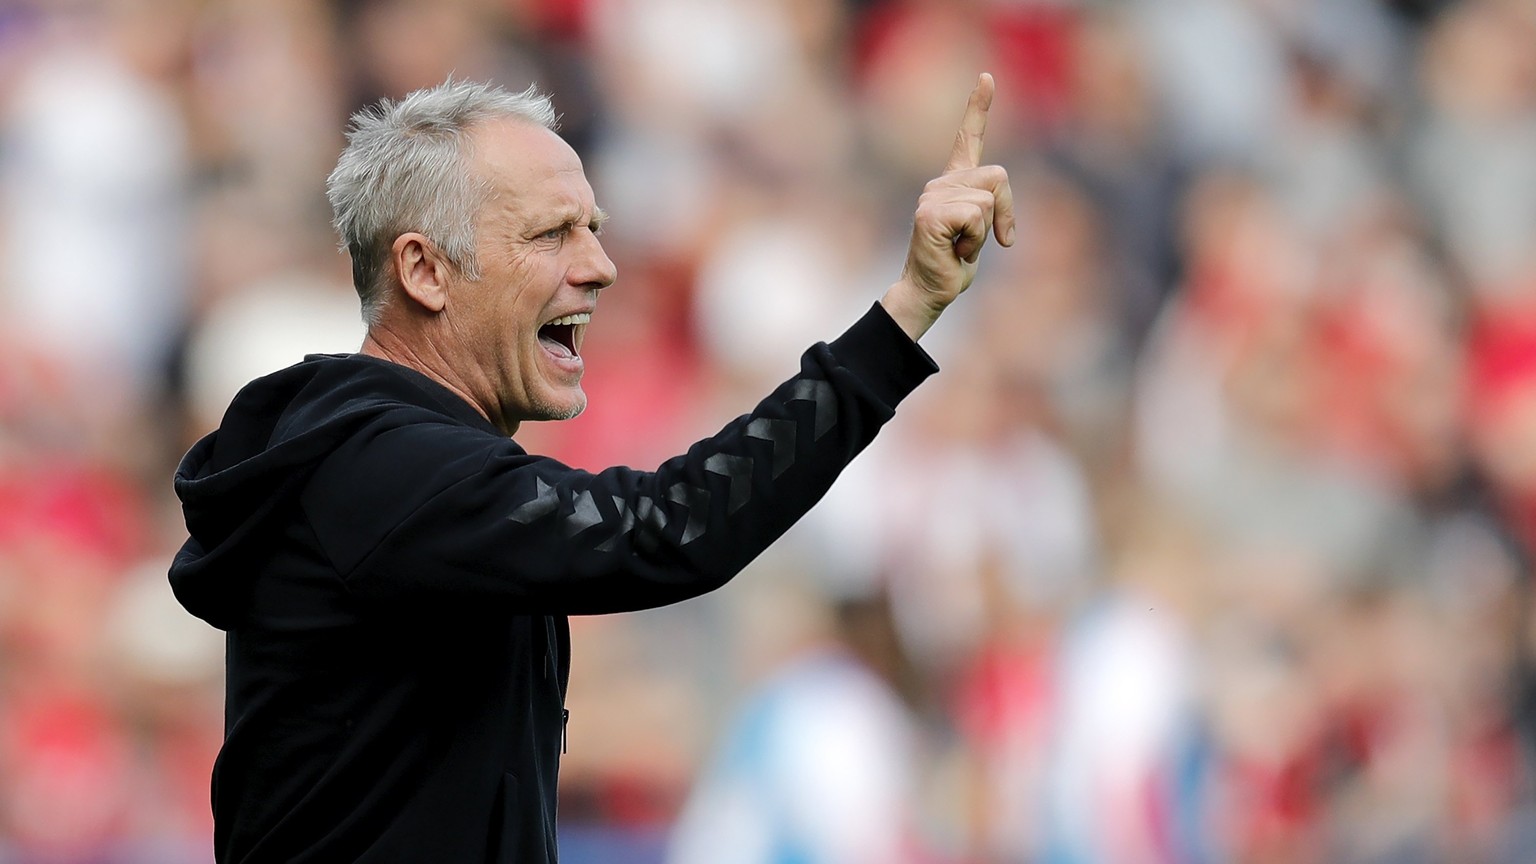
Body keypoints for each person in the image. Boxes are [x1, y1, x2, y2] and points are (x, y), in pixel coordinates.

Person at [169, 75, 1014, 863]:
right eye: (551, 235)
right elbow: (671, 527)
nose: (600, 266)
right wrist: (905, 312)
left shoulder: (400, 466)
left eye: (593, 230)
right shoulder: (380, 468)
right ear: (423, 269)